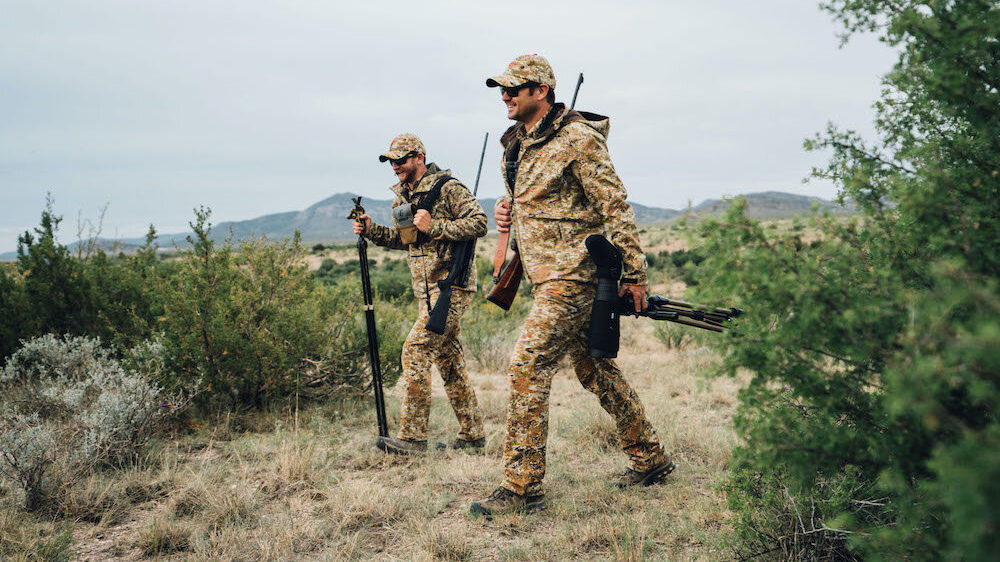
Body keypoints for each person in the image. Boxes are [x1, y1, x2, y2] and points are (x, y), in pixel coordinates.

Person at [470, 55, 674, 517]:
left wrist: (635, 275)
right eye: (501, 89)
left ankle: (521, 487)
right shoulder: (518, 145)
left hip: (575, 276)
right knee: (594, 369)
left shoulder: (577, 139)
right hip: (544, 277)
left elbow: (615, 206)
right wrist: (508, 214)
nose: (505, 95)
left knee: (526, 364)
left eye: (514, 88)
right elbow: (541, 202)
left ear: (541, 90)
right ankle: (650, 458)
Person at [352, 133, 487, 455]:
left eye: (401, 159)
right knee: (449, 362)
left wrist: (435, 225)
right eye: (391, 161)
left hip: (452, 288)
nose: (395, 166)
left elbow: (480, 223)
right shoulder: (402, 197)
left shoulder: (449, 188)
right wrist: (371, 229)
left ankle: (413, 438)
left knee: (415, 351)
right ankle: (473, 435)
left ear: (419, 157)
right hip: (425, 293)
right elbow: (406, 240)